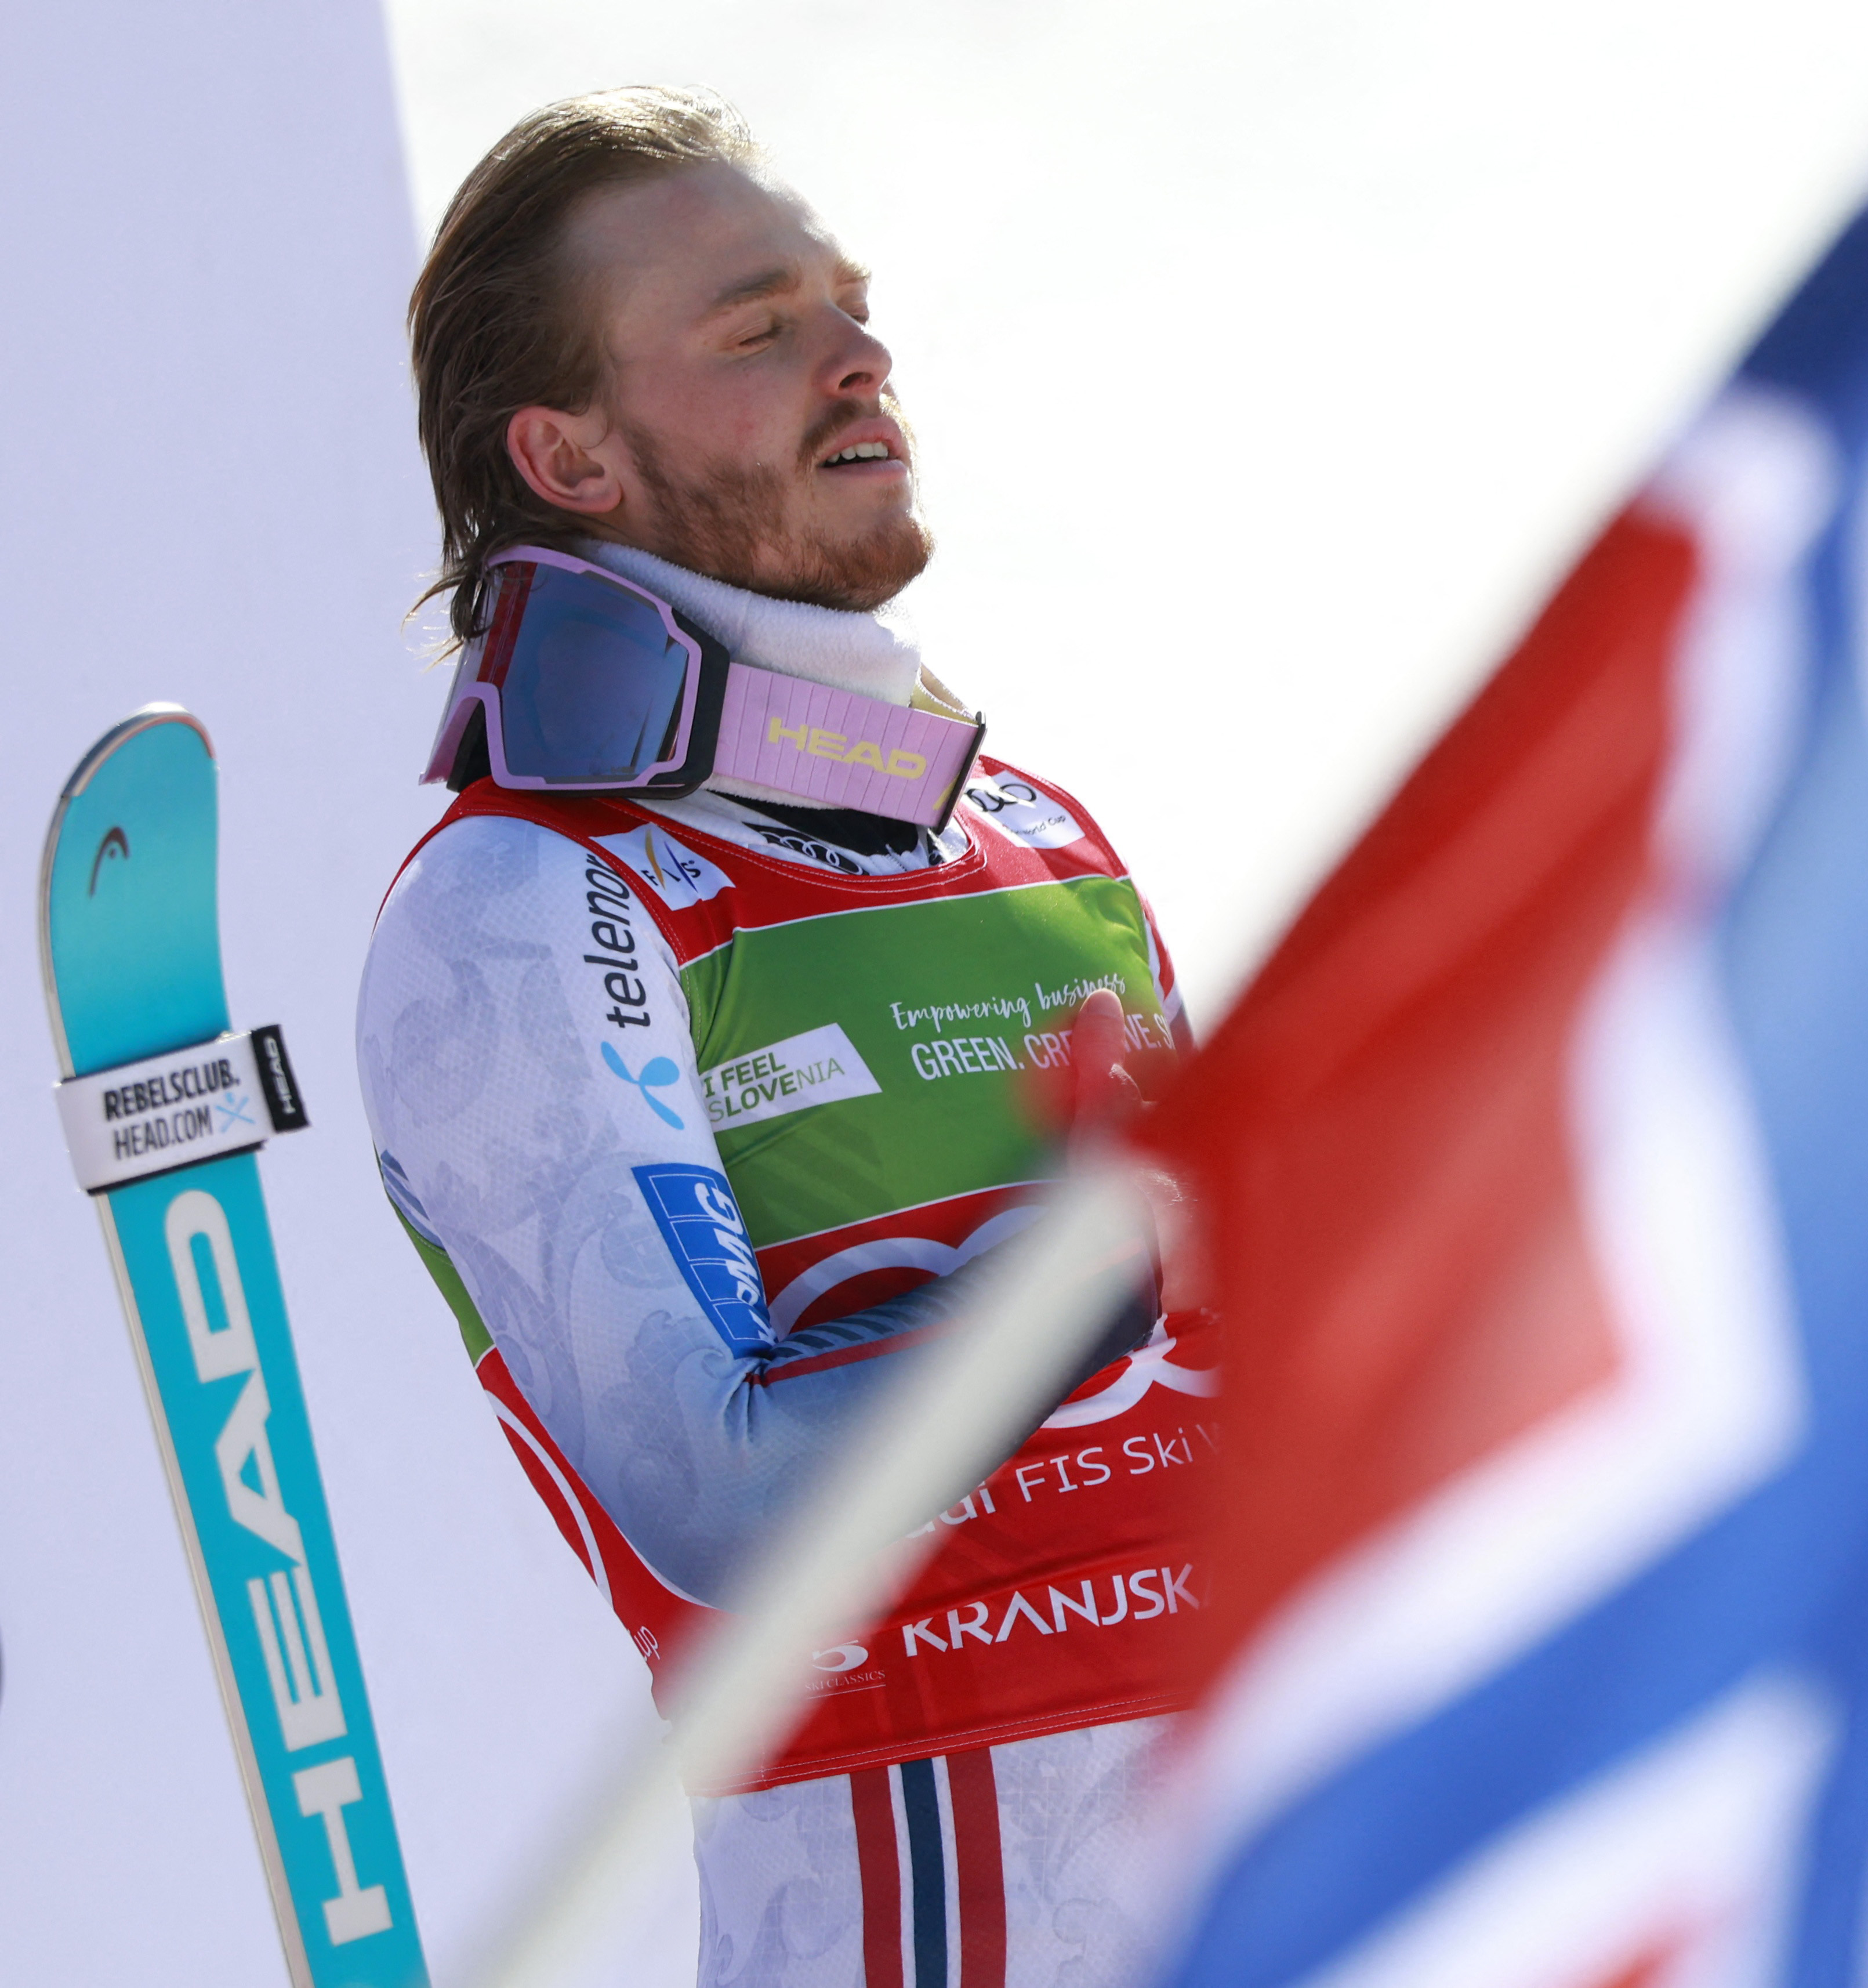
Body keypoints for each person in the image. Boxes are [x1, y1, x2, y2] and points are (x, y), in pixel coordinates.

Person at [357, 88, 1213, 1987]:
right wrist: (1127, 1259)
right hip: (926, 1896)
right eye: (759, 329)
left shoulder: (1046, 842)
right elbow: (720, 1491)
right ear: (568, 452)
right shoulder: (523, 903)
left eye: (850, 303)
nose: (861, 356)